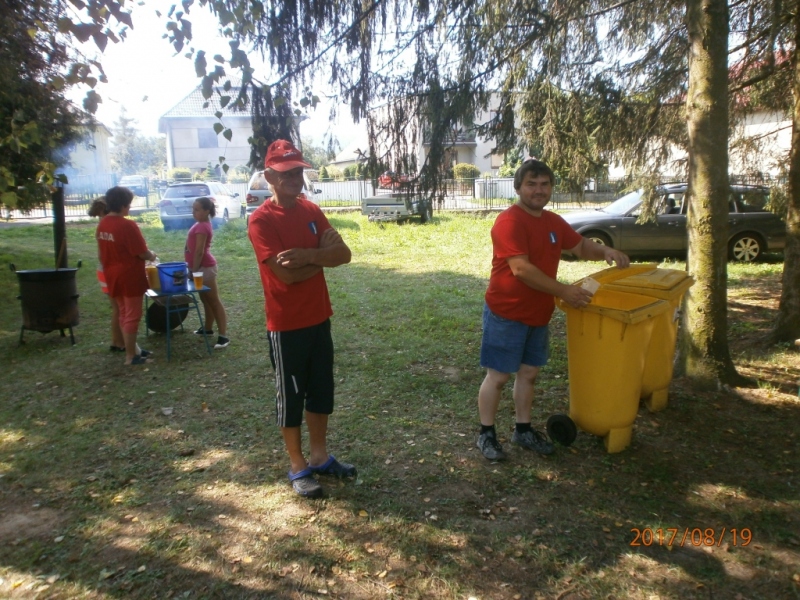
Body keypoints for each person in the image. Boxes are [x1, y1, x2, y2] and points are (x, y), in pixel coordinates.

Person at [476, 159, 630, 461]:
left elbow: (581, 246)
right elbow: (521, 269)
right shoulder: (510, 222)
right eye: (531, 184)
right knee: (498, 376)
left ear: (551, 189)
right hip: (506, 312)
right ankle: (486, 434)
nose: (538, 190)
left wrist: (606, 251)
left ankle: (523, 429)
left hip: (538, 313)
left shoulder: (552, 222)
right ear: (518, 187)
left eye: (544, 184)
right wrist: (565, 291)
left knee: (529, 373)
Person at [248, 139, 355, 498]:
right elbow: (287, 277)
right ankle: (297, 465)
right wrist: (321, 255)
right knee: (291, 397)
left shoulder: (311, 210)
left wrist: (309, 255)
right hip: (285, 325)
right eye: (286, 172)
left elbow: (344, 254)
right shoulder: (261, 220)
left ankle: (320, 456)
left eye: (298, 171)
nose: (295, 177)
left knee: (321, 391)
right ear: (269, 177)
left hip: (318, 317)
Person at [95, 186, 158, 366]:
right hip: (129, 275)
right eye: (129, 204)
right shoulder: (127, 225)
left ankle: (134, 349)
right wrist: (151, 255)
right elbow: (141, 253)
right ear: (123, 205)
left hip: (111, 273)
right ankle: (131, 356)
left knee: (123, 312)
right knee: (132, 314)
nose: (129, 208)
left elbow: (101, 254)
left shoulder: (103, 223)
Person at [184, 196, 229, 349]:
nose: (193, 212)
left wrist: (194, 270)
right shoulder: (200, 224)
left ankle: (223, 336)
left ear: (206, 211)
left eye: (196, 210)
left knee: (214, 300)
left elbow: (199, 251)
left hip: (204, 268)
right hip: (198, 268)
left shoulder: (203, 226)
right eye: (193, 209)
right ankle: (208, 328)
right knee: (205, 299)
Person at [88, 197, 125, 353]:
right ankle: (120, 343)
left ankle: (116, 341)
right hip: (109, 270)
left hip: (103, 270)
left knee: (116, 307)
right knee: (119, 308)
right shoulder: (108, 226)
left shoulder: (101, 227)